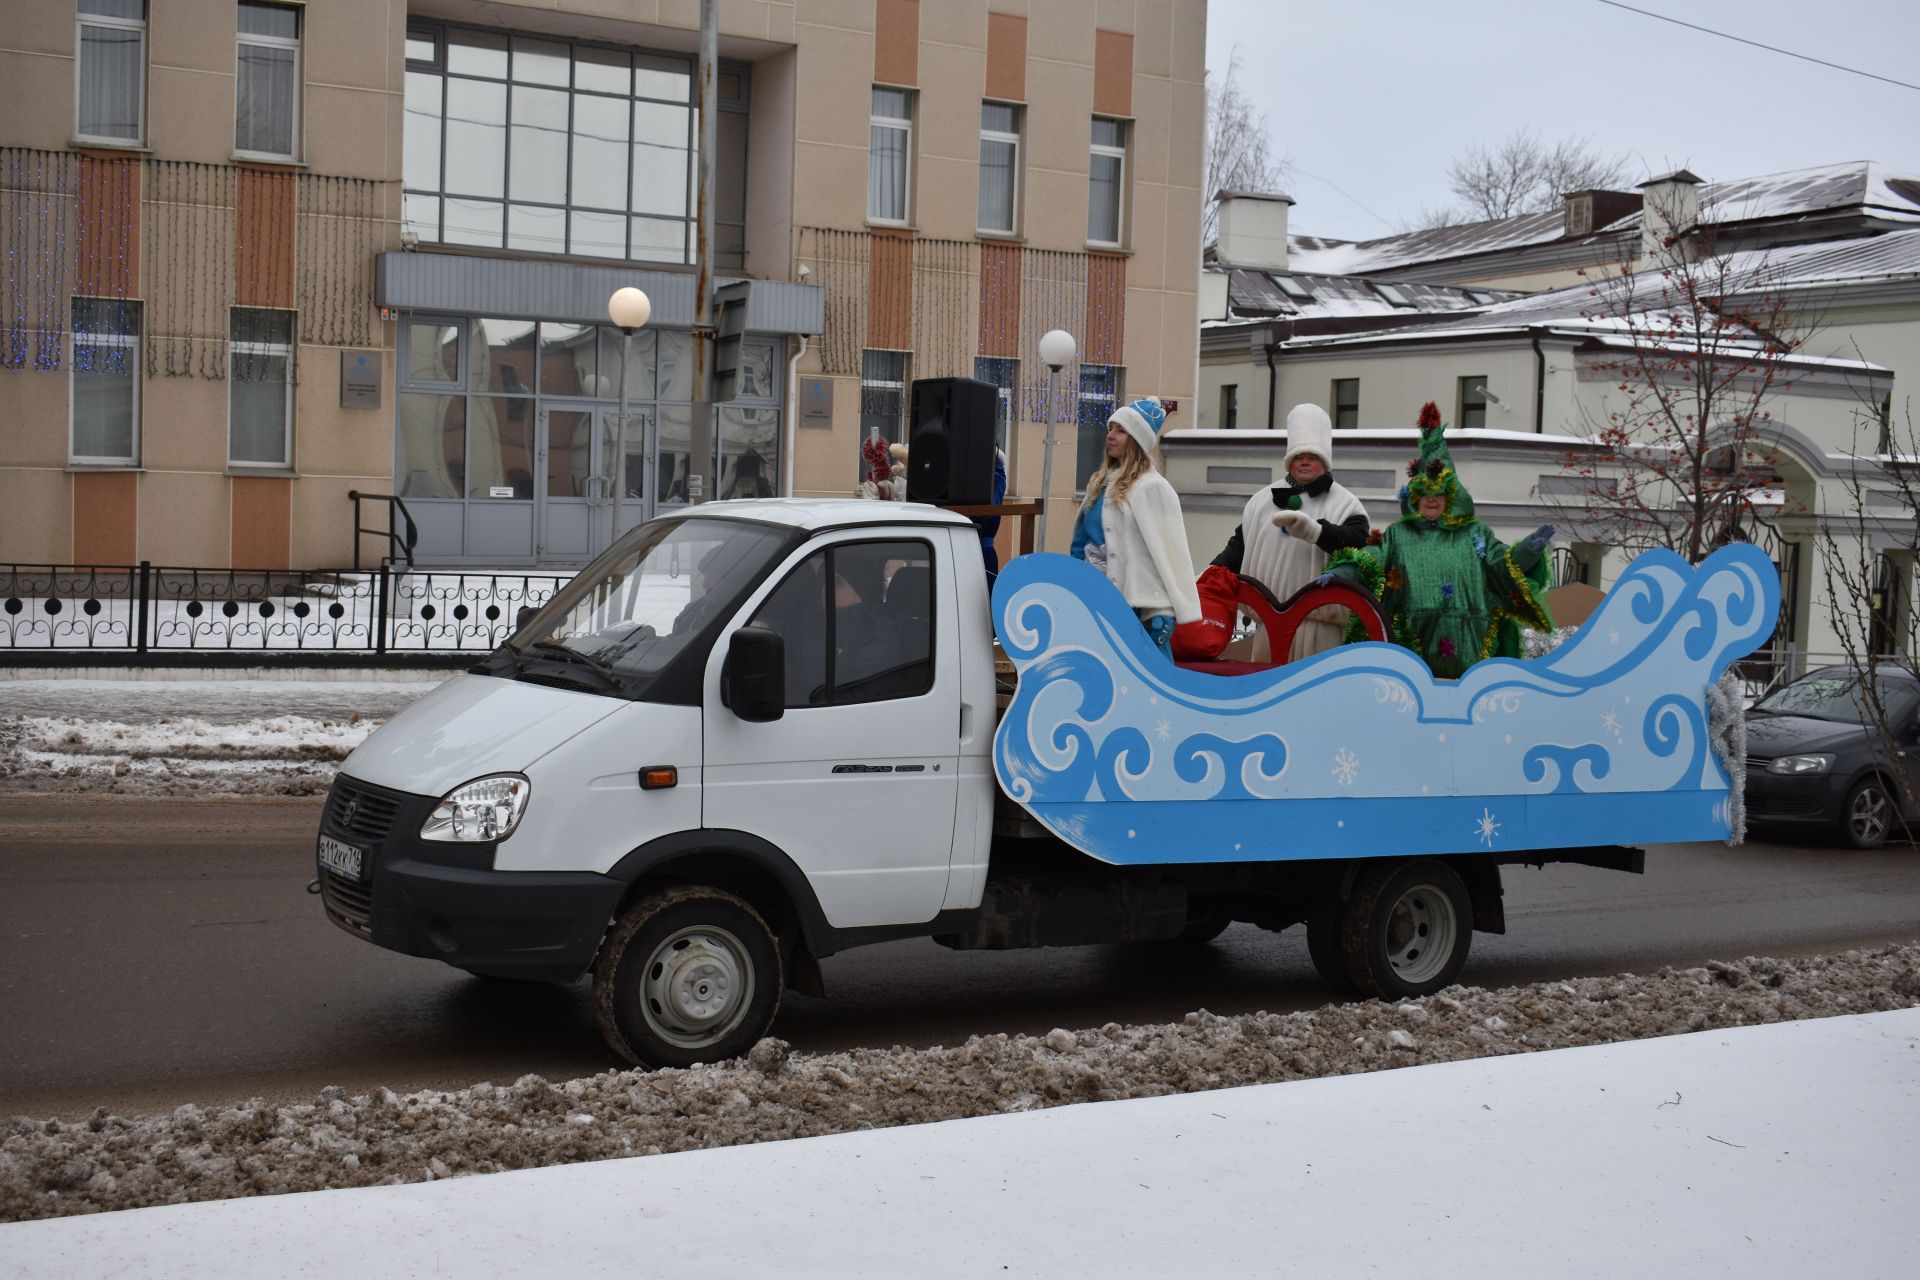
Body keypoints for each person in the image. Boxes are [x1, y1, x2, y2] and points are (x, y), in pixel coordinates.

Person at [1324, 401, 1554, 680]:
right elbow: (1372, 559)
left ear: (1450, 497)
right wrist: (1340, 572)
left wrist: (1529, 550)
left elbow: (1501, 564)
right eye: (1425, 494)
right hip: (1411, 644)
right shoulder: (1399, 534)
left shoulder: (1475, 533)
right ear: (1415, 497)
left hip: (1470, 641)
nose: (1431, 500)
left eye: (1439, 494)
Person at [1211, 403, 1370, 661]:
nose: (1305, 461)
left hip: (1322, 631)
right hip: (1267, 631)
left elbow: (1359, 546)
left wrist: (1318, 533)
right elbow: (1238, 548)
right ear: (1289, 461)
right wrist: (1208, 577)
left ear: (1325, 461)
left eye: (1312, 456)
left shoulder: (1346, 504)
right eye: (1298, 456)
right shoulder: (1261, 501)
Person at [1070, 396, 1202, 658]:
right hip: (1099, 602)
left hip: (1140, 610)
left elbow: (1169, 553)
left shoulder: (1153, 487)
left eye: (1121, 431)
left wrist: (1163, 610)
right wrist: (1076, 584)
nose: (1111, 435)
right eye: (1110, 428)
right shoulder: (1099, 484)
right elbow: (1080, 544)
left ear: (1137, 440)